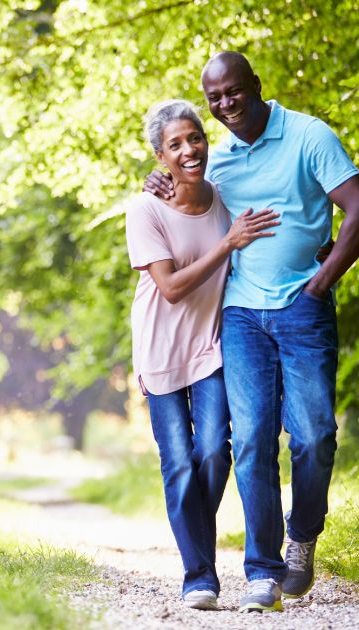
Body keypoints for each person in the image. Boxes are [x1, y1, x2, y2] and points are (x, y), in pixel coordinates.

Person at [145, 52, 359, 613]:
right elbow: (184, 199)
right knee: (251, 442)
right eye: (215, 99)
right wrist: (159, 176)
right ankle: (263, 571)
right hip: (242, 316)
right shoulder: (218, 160)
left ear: (255, 85)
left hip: (303, 310)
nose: (226, 105)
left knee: (315, 435)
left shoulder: (308, 135)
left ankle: (303, 536)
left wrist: (320, 283)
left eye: (234, 92)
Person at [126, 99, 279, 610]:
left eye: (195, 138)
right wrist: (227, 245)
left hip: (211, 346)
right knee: (179, 465)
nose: (189, 150)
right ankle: (199, 576)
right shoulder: (145, 208)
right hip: (160, 348)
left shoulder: (224, 196)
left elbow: (271, 218)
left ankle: (193, 537)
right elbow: (169, 287)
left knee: (213, 450)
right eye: (175, 145)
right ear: (159, 156)